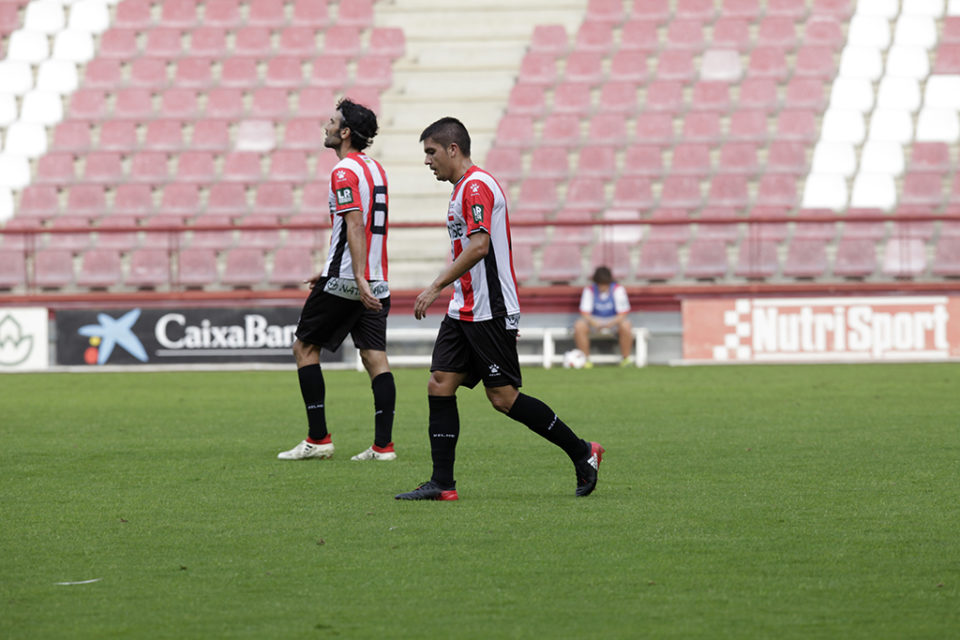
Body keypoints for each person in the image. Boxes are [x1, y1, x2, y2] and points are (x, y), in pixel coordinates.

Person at [395, 117, 604, 501]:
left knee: (503, 399)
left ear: (452, 149)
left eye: (431, 152)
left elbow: (479, 246)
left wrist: (435, 286)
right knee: (440, 384)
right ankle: (442, 484)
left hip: (489, 310)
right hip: (464, 309)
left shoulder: (476, 187)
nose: (428, 161)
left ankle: (582, 451)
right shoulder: (462, 189)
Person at [277, 98, 397, 463]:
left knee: (304, 348)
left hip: (350, 280)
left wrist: (352, 276)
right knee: (375, 357)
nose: (326, 126)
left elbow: (354, 223)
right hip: (377, 278)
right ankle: (383, 447)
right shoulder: (375, 169)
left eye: (332, 121)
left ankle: (318, 439)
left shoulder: (343, 172)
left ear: (345, 132)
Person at [573, 266, 634, 368]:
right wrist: (595, 323)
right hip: (594, 320)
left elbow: (623, 313)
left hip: (614, 320)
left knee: (626, 325)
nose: (603, 287)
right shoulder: (589, 290)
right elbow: (585, 313)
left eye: (605, 284)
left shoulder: (618, 289)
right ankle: (586, 360)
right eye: (600, 284)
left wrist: (609, 324)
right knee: (579, 326)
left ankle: (626, 359)